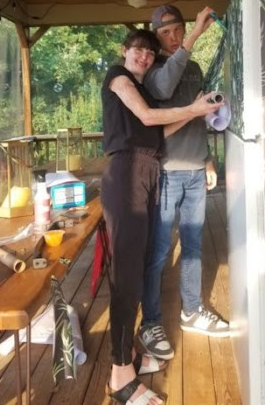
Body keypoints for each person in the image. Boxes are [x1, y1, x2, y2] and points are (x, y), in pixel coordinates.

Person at [101, 28, 223, 405]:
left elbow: (161, 129)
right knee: (126, 274)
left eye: (150, 54)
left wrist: (195, 109)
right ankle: (120, 374)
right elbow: (147, 116)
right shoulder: (118, 78)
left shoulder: (145, 91)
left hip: (150, 171)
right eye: (138, 50)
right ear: (124, 51)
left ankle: (131, 355)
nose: (144, 57)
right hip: (126, 175)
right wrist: (194, 110)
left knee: (137, 267)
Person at [139, 5, 230, 363]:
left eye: (179, 29)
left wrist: (207, 158)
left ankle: (191, 311)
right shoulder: (153, 71)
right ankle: (150, 322)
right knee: (160, 250)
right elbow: (164, 89)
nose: (175, 37)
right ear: (156, 38)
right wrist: (195, 36)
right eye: (166, 33)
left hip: (194, 170)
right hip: (166, 172)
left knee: (192, 246)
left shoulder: (193, 67)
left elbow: (198, 116)